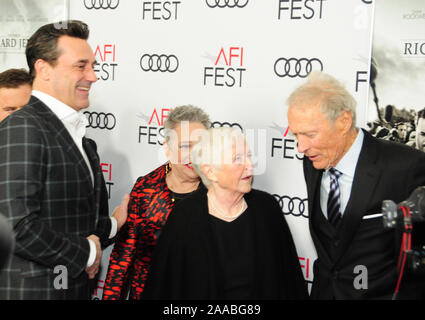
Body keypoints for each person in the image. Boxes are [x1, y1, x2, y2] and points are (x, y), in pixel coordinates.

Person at [0, 20, 128, 300]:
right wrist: (88, 252)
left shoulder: (77, 135)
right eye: (80, 66)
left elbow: (76, 221)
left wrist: (113, 225)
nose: (93, 76)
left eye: (93, 66)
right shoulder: (23, 127)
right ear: (44, 69)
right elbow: (14, 226)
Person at [286, 71, 425, 299]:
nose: (300, 147)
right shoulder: (313, 161)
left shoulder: (407, 167)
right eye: (296, 135)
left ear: (344, 121)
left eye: (310, 134)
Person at [143, 127, 308, 300]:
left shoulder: (267, 209)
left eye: (249, 157)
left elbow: (291, 282)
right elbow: (163, 287)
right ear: (210, 171)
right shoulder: (185, 217)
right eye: (238, 159)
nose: (250, 166)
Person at [102, 105, 211, 300]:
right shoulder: (146, 188)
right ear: (168, 149)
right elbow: (123, 259)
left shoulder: (219, 191)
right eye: (185, 146)